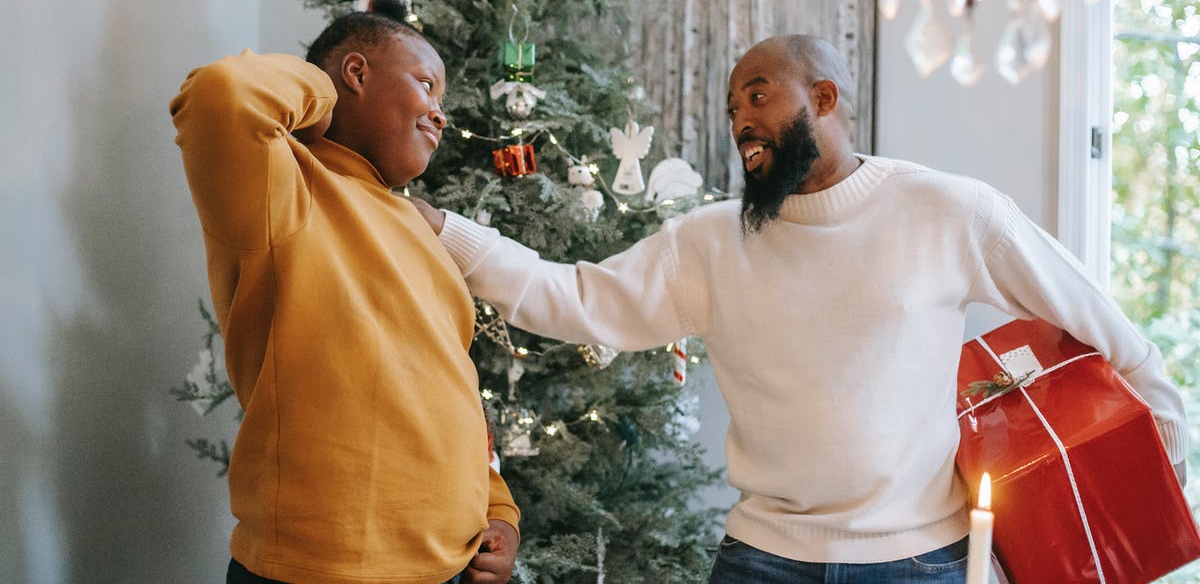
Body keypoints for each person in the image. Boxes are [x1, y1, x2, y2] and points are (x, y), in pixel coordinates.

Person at [406, 34, 1188, 582]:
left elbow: (1099, 322)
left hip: (925, 562)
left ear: (824, 97)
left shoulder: (952, 210)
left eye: (757, 92)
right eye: (730, 106)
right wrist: (447, 230)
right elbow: (575, 299)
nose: (739, 118)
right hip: (762, 558)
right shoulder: (709, 241)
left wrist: (1167, 455)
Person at [170, 0, 520, 584]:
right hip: (324, 570)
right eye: (426, 85)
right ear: (355, 74)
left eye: (443, 101)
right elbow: (223, 93)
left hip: (451, 565)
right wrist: (323, 89)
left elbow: (450, 388)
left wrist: (498, 511)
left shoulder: (422, 229)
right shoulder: (286, 188)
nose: (440, 113)